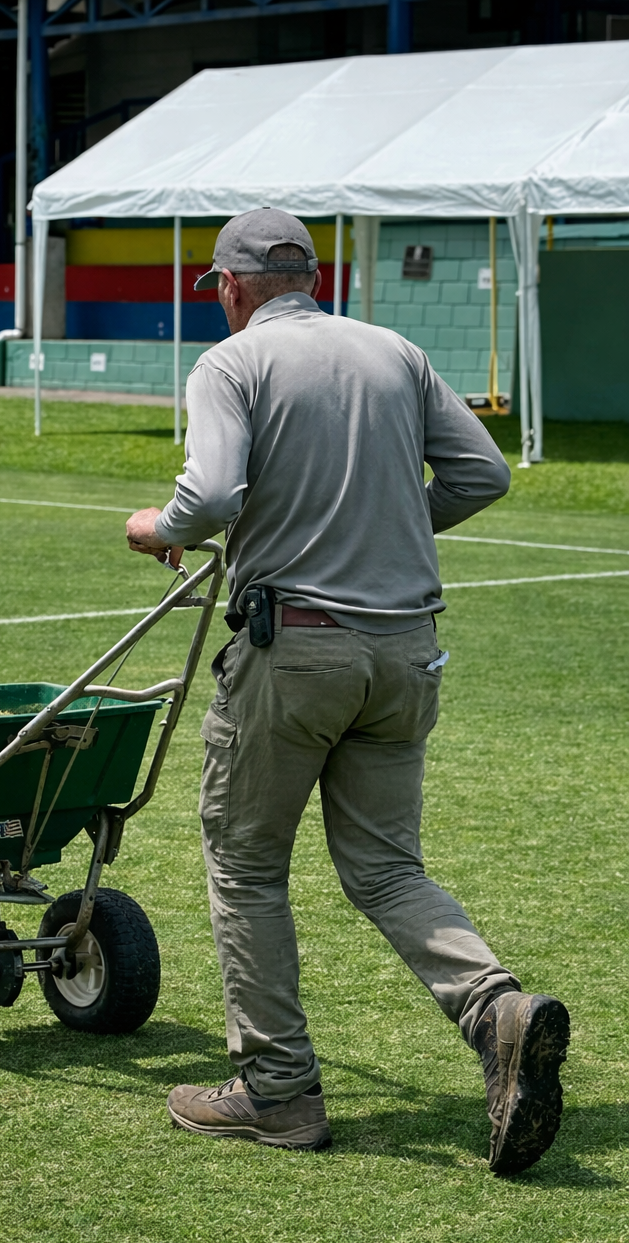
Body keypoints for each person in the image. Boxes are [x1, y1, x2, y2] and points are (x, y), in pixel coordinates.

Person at [126, 208, 569, 1176]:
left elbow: (206, 498)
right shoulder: (393, 349)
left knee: (245, 865)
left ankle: (276, 1095)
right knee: (384, 869)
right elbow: (481, 473)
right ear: (309, 275)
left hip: (298, 652)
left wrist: (153, 524)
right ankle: (496, 1008)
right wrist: (385, 527)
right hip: (406, 651)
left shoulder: (229, 364)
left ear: (230, 286)